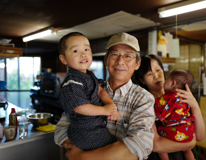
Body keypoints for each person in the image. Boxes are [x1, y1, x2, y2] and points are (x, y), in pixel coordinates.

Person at [54, 32, 198, 160]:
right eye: (115, 54)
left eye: (128, 56)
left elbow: (138, 147)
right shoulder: (89, 88)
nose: (120, 61)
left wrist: (83, 156)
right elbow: (61, 129)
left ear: (137, 64)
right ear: (106, 60)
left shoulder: (144, 99)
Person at [134, 55, 205, 160]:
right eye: (149, 74)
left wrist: (194, 105)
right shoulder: (145, 104)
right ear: (142, 80)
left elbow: (200, 136)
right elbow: (156, 145)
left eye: (158, 70)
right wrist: (190, 143)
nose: (156, 76)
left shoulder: (180, 97)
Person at [58, 32, 120, 151]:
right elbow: (79, 107)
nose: (83, 54)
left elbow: (100, 91)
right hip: (86, 132)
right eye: (76, 51)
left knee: (114, 146)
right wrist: (104, 110)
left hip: (95, 127)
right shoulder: (71, 83)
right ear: (64, 59)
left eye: (86, 49)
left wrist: (111, 107)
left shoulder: (89, 75)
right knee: (114, 146)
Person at [154, 69, 196, 160]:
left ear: (173, 83)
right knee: (187, 150)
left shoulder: (169, 97)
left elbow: (157, 105)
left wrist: (152, 100)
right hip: (189, 131)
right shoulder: (185, 97)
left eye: (167, 79)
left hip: (177, 131)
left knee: (160, 140)